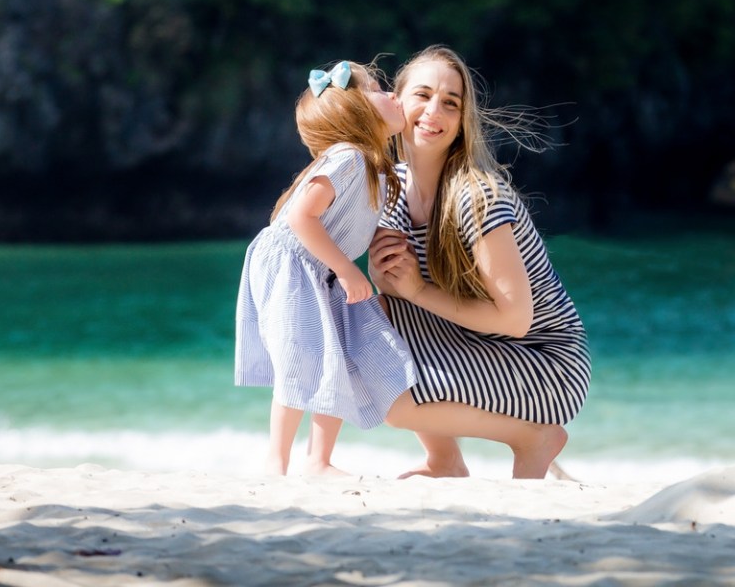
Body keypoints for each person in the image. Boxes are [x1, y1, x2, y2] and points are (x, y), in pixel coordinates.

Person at [368, 45, 590, 479]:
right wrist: (389, 284)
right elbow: (394, 307)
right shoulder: (390, 188)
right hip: (482, 347)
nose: (435, 111)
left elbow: (516, 319)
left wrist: (415, 290)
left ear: (461, 121)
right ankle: (444, 461)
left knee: (392, 399)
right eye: (423, 95)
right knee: (369, 324)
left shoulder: (478, 198)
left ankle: (533, 438)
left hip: (545, 361)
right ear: (396, 102)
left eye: (450, 103)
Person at [233, 60, 416, 476]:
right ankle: (275, 463)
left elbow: (349, 222)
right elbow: (301, 217)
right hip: (292, 262)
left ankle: (319, 460)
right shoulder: (348, 157)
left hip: (320, 268)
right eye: (377, 88)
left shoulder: (374, 170)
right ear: (356, 111)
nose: (391, 93)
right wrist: (350, 271)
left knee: (336, 357)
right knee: (300, 355)